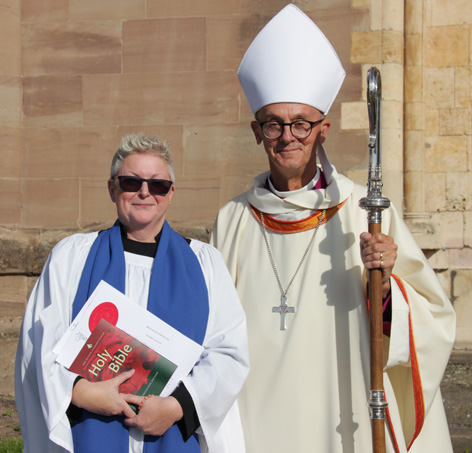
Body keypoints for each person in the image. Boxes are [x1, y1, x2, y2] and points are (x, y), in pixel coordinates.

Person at [210, 4, 455, 453]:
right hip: (255, 414)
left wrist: (384, 290)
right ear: (256, 131)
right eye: (274, 124)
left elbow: (433, 319)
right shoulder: (233, 219)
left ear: (322, 131)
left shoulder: (364, 212)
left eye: (301, 123)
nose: (288, 136)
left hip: (346, 410)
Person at [15, 133, 249, 453]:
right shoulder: (72, 258)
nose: (144, 192)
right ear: (112, 188)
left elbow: (228, 353)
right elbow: (39, 343)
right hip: (88, 428)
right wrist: (82, 393)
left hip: (175, 430)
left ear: (171, 193)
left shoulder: (205, 264)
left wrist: (177, 407)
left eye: (157, 184)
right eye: (130, 182)